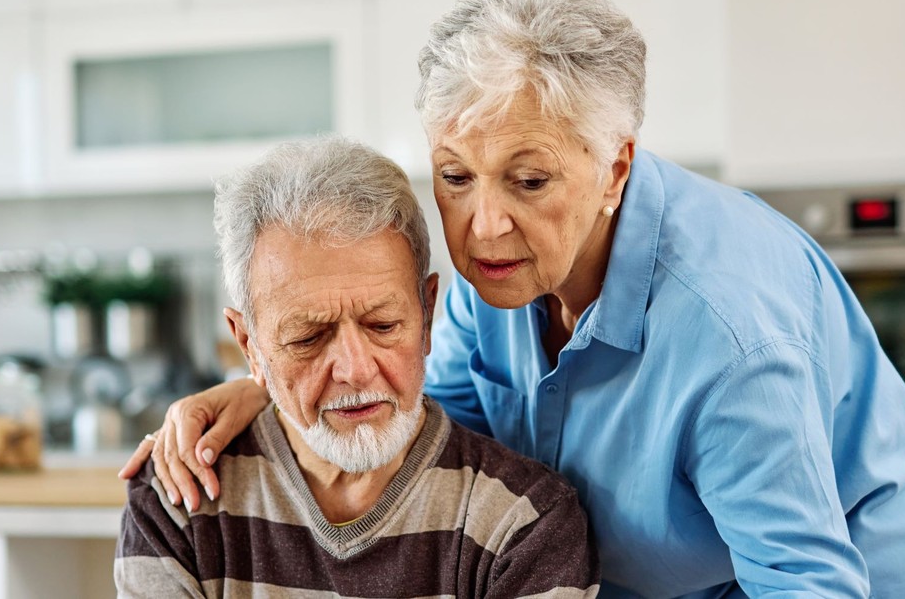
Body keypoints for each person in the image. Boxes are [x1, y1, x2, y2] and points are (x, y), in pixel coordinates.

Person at [120, 0, 905, 596]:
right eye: (455, 177)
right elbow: (418, 428)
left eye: (528, 181)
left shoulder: (727, 332)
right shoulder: (496, 281)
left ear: (614, 167)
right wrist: (268, 388)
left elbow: (808, 582)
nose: (482, 225)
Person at [115, 137, 600, 598]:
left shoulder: (524, 522)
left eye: (383, 325)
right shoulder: (177, 499)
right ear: (250, 345)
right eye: (308, 337)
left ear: (427, 316)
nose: (355, 368)